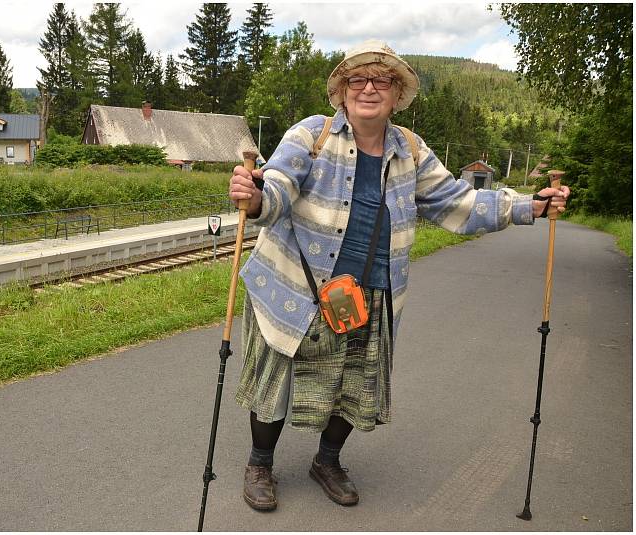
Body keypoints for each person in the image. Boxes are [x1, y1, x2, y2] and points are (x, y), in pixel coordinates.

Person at [228, 39, 570, 511]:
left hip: (373, 292)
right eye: (358, 79)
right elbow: (279, 186)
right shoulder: (312, 135)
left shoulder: (411, 149)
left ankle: (327, 461)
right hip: (297, 287)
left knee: (355, 384)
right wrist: (258, 197)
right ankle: (259, 464)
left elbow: (457, 202)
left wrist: (529, 207)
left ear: (397, 92)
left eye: (382, 80)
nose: (369, 87)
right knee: (276, 379)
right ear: (342, 91)